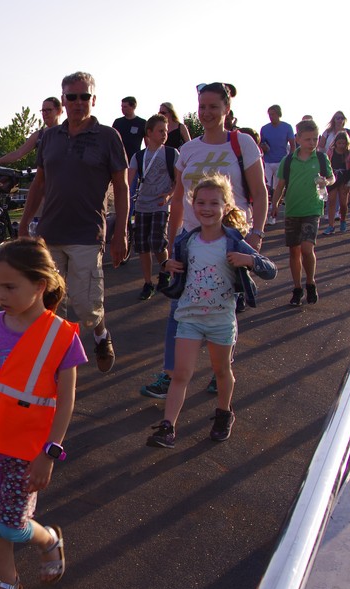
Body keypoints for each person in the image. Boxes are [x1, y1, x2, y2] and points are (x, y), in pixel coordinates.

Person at [0, 237, 84, 589]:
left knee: (12, 526)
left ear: (40, 285)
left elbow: (66, 402)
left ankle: (49, 540)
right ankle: (7, 582)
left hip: (29, 451)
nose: (0, 295)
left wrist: (50, 453)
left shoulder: (61, 337)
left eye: (10, 286)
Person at [139, 82, 267, 400]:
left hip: (228, 238)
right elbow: (178, 199)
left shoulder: (242, 144)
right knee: (179, 306)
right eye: (202, 107)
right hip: (190, 238)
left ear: (226, 109)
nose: (206, 113)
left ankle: (220, 371)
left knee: (222, 305)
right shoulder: (189, 150)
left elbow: (260, 191)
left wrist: (256, 233)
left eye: (213, 107)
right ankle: (171, 374)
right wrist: (173, 242)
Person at [147, 175, 276, 448]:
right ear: (193, 205)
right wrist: (168, 265)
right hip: (190, 317)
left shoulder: (233, 241)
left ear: (226, 207)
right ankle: (168, 426)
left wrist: (249, 260)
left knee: (221, 371)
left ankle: (224, 413)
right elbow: (175, 267)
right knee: (180, 374)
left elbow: (270, 269)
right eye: (201, 202)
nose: (207, 208)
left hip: (220, 319)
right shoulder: (187, 241)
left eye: (214, 203)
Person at [20, 71, 129, 374]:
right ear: (63, 100)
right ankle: (59, 360)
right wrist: (24, 223)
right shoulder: (50, 137)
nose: (78, 102)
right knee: (51, 301)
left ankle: (101, 334)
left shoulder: (108, 137)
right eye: (72, 97)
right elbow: (39, 183)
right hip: (50, 232)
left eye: (84, 96)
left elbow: (121, 187)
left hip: (86, 233)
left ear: (94, 99)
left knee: (85, 304)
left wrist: (121, 232)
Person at [270, 120, 334, 306]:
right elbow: (280, 184)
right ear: (297, 139)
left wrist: (326, 182)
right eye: (307, 139)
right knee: (294, 250)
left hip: (312, 208)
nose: (312, 143)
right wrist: (275, 204)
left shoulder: (321, 158)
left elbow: (331, 177)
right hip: (292, 209)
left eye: (315, 139)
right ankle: (297, 288)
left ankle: (310, 282)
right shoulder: (289, 160)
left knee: (307, 248)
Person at [129, 113, 179, 300]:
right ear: (149, 133)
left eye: (165, 131)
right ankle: (148, 282)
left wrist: (168, 195)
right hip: (142, 205)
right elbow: (128, 180)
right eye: (160, 131)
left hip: (160, 205)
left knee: (157, 241)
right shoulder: (139, 156)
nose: (164, 134)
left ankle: (164, 271)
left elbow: (178, 181)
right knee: (142, 245)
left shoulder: (172, 154)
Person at [0, 97, 62, 167]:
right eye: (43, 111)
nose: (45, 114)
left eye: (48, 110)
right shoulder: (39, 135)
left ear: (59, 111)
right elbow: (18, 153)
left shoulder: (66, 131)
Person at [259, 105, 295, 224]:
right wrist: (263, 147)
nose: (271, 116)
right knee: (265, 187)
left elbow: (293, 145)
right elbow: (261, 143)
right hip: (267, 161)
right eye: (269, 114)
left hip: (281, 161)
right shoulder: (264, 128)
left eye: (273, 114)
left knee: (278, 189)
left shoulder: (287, 127)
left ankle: (273, 214)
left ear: (279, 114)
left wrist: (290, 159)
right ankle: (264, 214)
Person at [323, 131, 350, 234]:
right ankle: (331, 225)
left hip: (345, 178)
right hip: (333, 178)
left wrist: (349, 184)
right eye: (339, 143)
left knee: (343, 203)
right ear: (335, 142)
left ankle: (343, 220)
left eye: (343, 143)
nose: (341, 145)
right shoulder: (330, 151)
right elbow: (326, 165)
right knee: (331, 201)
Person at [112, 96, 147, 161]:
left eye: (125, 107)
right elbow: (112, 140)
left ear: (133, 107)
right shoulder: (118, 122)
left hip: (135, 158)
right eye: (122, 107)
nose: (122, 109)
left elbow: (147, 141)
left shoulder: (142, 123)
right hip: (119, 157)